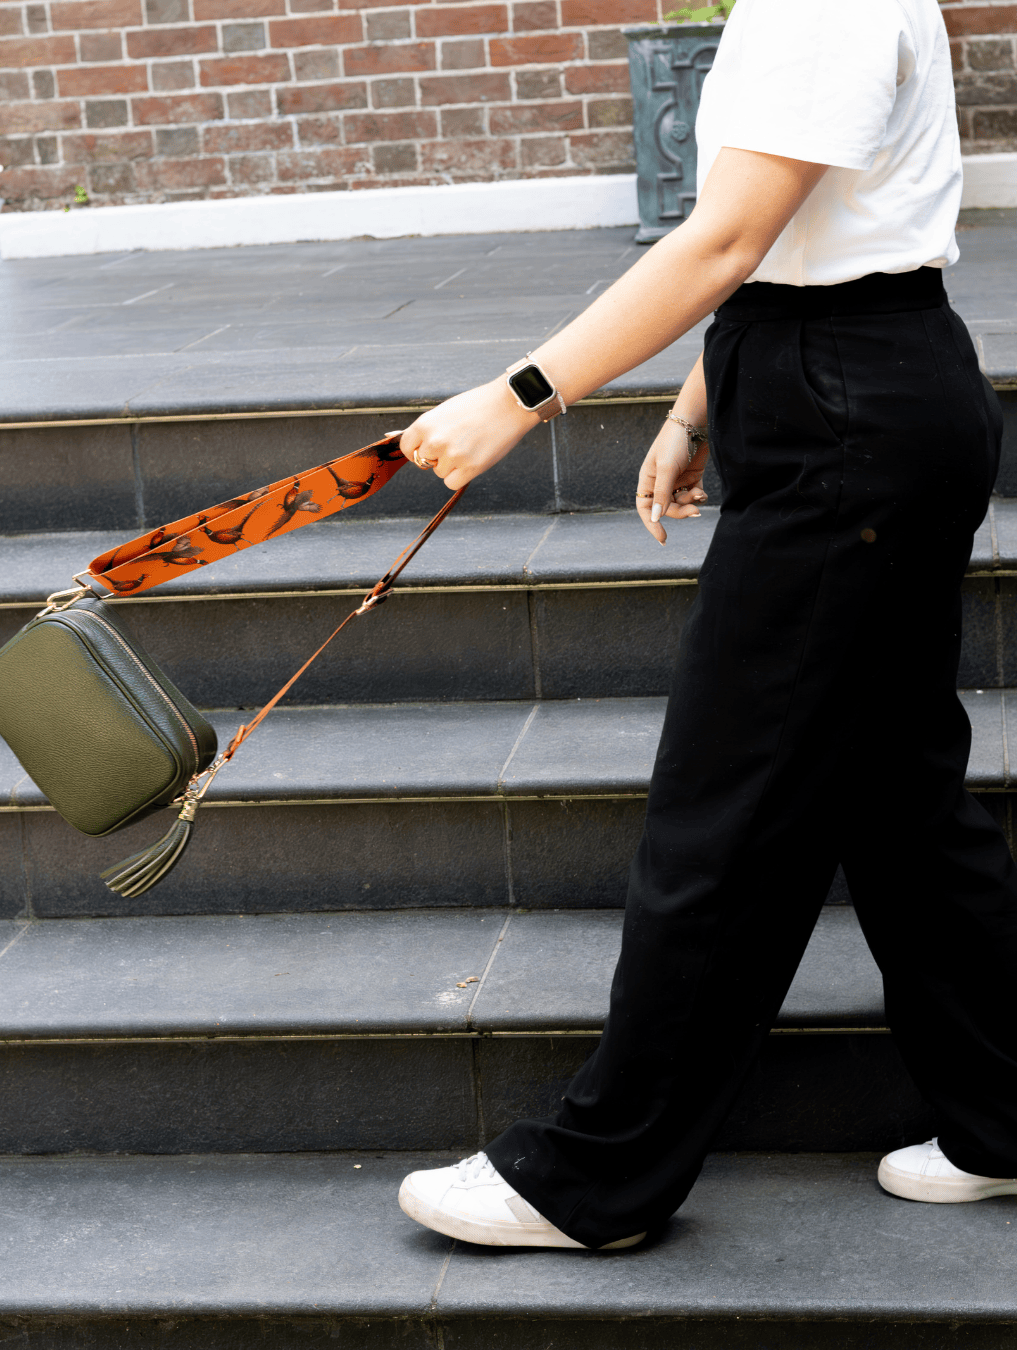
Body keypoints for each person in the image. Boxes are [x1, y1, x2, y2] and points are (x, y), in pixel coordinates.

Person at [395, 0, 1017, 1250]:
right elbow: (784, 233)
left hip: (846, 418)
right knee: (899, 799)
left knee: (726, 811)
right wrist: (698, 410)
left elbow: (727, 236)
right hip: (852, 388)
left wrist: (517, 398)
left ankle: (594, 1182)